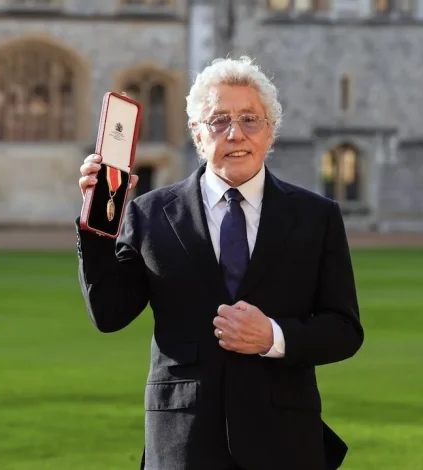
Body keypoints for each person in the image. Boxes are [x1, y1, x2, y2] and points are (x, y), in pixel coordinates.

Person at [75, 56, 364, 470]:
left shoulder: (316, 217)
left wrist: (273, 337)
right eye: (219, 120)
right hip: (183, 442)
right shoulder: (150, 214)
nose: (235, 134)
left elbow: (344, 329)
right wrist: (95, 225)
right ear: (197, 132)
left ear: (271, 132)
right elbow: (109, 314)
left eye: (250, 119)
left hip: (283, 443)